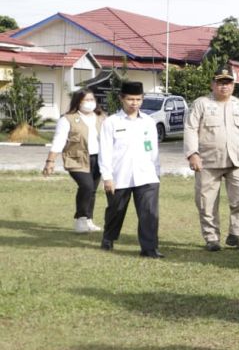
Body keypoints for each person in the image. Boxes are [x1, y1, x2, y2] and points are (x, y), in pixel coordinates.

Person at [183, 65, 239, 251]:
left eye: (228, 83)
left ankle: (238, 235)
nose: (224, 86)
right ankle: (212, 238)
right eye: (220, 82)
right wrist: (193, 154)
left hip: (236, 160)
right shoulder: (202, 103)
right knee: (206, 201)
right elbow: (190, 128)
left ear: (233, 85)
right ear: (213, 84)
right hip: (208, 160)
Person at [97, 81, 162, 257]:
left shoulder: (149, 122)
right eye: (130, 99)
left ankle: (149, 249)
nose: (134, 103)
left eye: (138, 99)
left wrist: (156, 172)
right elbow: (105, 151)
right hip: (120, 175)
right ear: (121, 99)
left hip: (146, 175)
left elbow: (153, 149)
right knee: (115, 211)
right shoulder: (111, 122)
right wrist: (107, 176)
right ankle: (108, 237)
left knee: (149, 213)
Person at [43, 88, 105, 233]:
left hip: (98, 158)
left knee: (93, 191)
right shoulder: (67, 119)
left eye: (92, 99)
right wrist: (50, 161)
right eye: (86, 100)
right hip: (76, 159)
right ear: (78, 102)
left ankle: (89, 219)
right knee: (87, 186)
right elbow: (59, 140)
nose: (90, 103)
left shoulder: (102, 117)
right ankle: (80, 219)